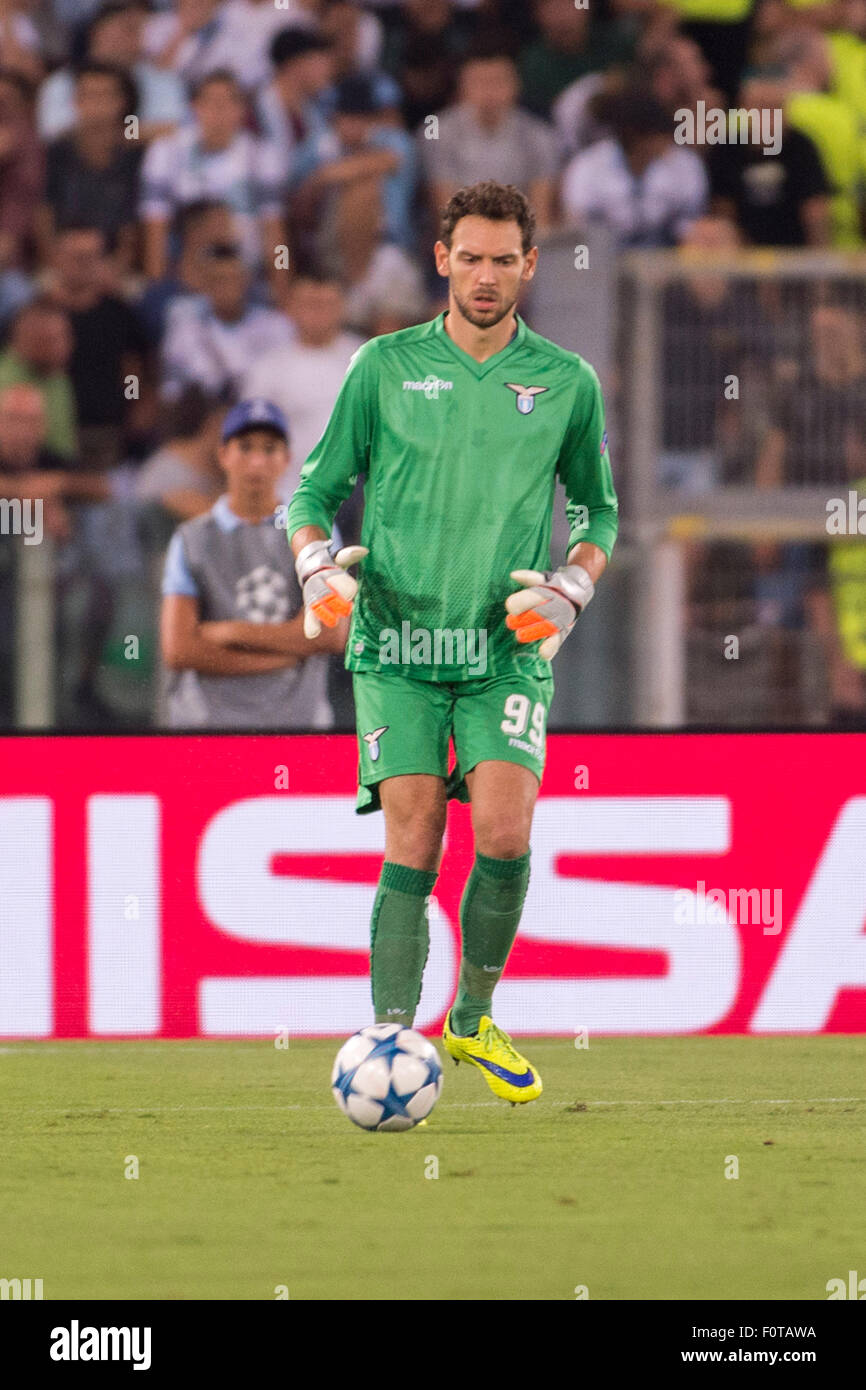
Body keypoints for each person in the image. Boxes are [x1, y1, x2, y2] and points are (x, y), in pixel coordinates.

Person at [286, 180, 618, 1104]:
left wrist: (572, 588)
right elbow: (309, 495)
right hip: (396, 645)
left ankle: (468, 1021)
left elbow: (600, 508)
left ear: (528, 266)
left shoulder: (566, 382)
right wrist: (317, 568)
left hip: (504, 646)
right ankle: (392, 1033)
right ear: (441, 259)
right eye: (467, 256)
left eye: (502, 259)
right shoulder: (384, 366)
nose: (483, 275)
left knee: (506, 836)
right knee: (416, 838)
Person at [160, 397, 345, 728]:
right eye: (245, 447)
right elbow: (179, 650)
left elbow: (329, 635)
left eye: (270, 448)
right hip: (206, 729)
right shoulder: (190, 540)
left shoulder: (316, 530)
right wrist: (287, 653)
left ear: (286, 459)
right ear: (223, 455)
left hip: (297, 729)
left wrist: (229, 632)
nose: (257, 461)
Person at [241, 272, 362, 499]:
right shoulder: (267, 368)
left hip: (355, 489)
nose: (317, 312)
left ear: (342, 307)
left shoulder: (366, 359)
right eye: (309, 304)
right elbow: (250, 436)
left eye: (326, 304)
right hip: (288, 491)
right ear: (290, 308)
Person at [420, 46, 558, 231]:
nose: (489, 92)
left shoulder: (539, 135)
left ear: (516, 85)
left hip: (518, 239)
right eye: (479, 82)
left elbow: (540, 217)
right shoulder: (438, 132)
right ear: (462, 88)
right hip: (462, 240)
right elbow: (445, 214)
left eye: (498, 82)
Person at [159, 240, 294, 403]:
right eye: (219, 280)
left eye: (233, 279)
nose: (226, 287)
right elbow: (171, 392)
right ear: (205, 284)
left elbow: (290, 383)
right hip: (205, 418)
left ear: (246, 280)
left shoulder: (275, 327)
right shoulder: (184, 332)